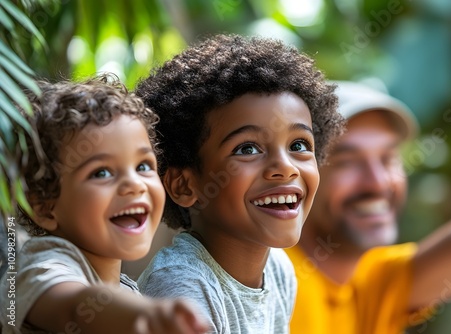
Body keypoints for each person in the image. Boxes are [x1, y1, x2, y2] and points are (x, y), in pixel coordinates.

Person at [135, 34, 344, 333]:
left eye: (298, 145)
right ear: (184, 185)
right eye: (247, 149)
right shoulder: (182, 287)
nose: (284, 168)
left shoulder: (278, 269)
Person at [286, 80, 451, 334]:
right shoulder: (262, 280)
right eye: (346, 162)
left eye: (388, 158)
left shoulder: (373, 281)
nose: (378, 183)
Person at [0, 75, 208, 334]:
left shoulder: (128, 291)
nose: (134, 184)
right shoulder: (38, 267)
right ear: (44, 205)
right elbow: (74, 308)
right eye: (101, 173)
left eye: (143, 166)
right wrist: (145, 316)